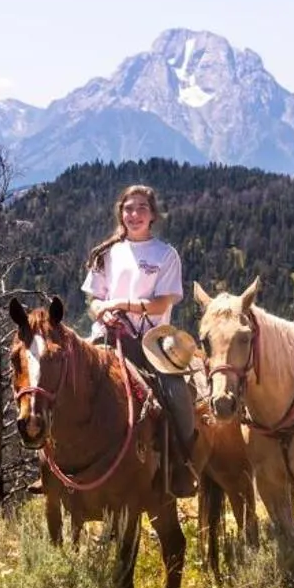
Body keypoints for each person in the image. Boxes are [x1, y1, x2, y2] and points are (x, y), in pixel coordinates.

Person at [82, 183, 197, 496]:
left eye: (141, 209)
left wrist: (120, 305)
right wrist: (101, 313)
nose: (134, 214)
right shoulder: (106, 253)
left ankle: (183, 462)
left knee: (175, 391)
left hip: (152, 340)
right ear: (121, 212)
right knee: (68, 379)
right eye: (128, 208)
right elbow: (94, 299)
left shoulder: (165, 254)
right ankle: (56, 464)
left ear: (153, 215)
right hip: (108, 335)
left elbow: (162, 304)